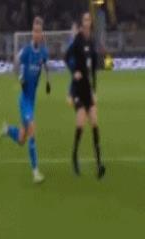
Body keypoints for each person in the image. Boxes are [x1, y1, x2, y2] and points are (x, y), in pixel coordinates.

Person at [0, 17, 51, 184]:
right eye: (34, 31)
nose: (36, 34)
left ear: (42, 34)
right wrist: (20, 77)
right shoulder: (26, 51)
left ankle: (7, 130)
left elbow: (46, 64)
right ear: (32, 33)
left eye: (39, 31)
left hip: (32, 101)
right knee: (32, 131)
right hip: (24, 100)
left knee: (22, 139)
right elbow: (15, 63)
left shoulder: (43, 52)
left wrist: (48, 81)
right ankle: (35, 172)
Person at [65, 12, 105, 179]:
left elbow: (93, 70)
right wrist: (74, 72)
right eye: (85, 19)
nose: (87, 22)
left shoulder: (92, 41)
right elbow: (66, 57)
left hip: (88, 89)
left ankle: (99, 163)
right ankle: (74, 157)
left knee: (94, 123)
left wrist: (94, 90)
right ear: (82, 23)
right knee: (81, 123)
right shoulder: (78, 40)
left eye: (89, 19)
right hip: (78, 89)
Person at [66, 22, 79, 107]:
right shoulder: (72, 40)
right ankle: (71, 96)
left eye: (74, 29)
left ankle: (73, 96)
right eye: (72, 29)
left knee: (76, 79)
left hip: (76, 62)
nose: (73, 31)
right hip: (72, 63)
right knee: (76, 78)